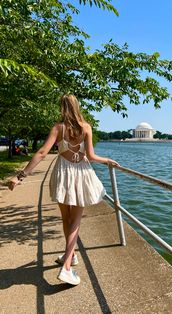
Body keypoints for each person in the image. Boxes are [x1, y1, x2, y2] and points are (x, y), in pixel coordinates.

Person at [8, 94, 119, 285]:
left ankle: (70, 256)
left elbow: (42, 153)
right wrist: (106, 160)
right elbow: (91, 156)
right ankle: (67, 267)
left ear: (62, 107)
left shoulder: (58, 128)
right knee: (75, 221)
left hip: (63, 173)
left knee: (66, 218)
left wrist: (20, 176)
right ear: (77, 107)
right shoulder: (86, 128)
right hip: (82, 174)